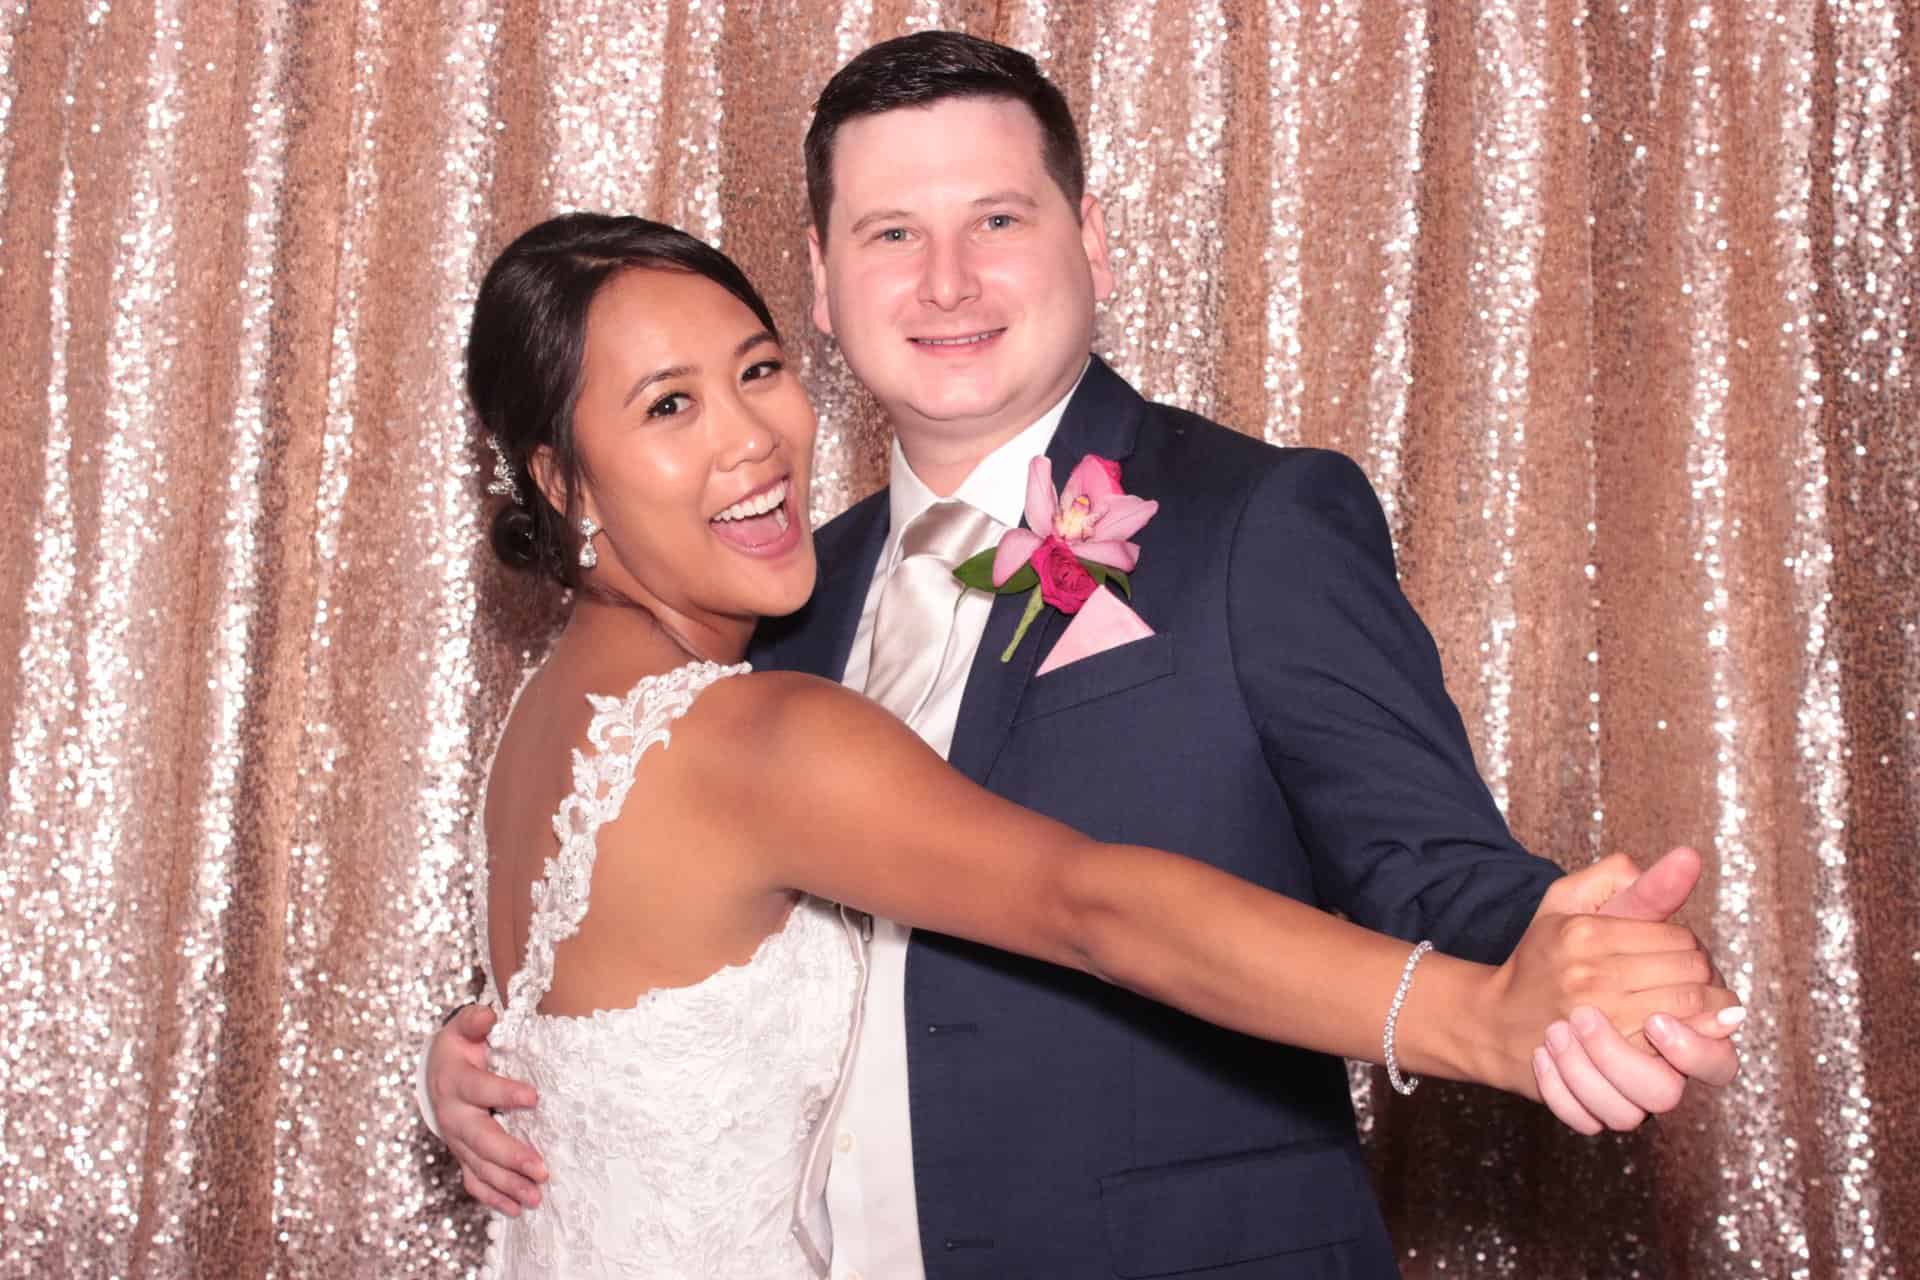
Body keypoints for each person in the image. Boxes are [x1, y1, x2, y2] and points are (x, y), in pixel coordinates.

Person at [432, 33, 1742, 1278]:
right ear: (824, 285)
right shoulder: (773, 603)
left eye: (997, 219)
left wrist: (1568, 962)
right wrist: (512, 1058)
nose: (948, 282)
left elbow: (1428, 863)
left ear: (1093, 241)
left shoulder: (1258, 523)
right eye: (892, 233)